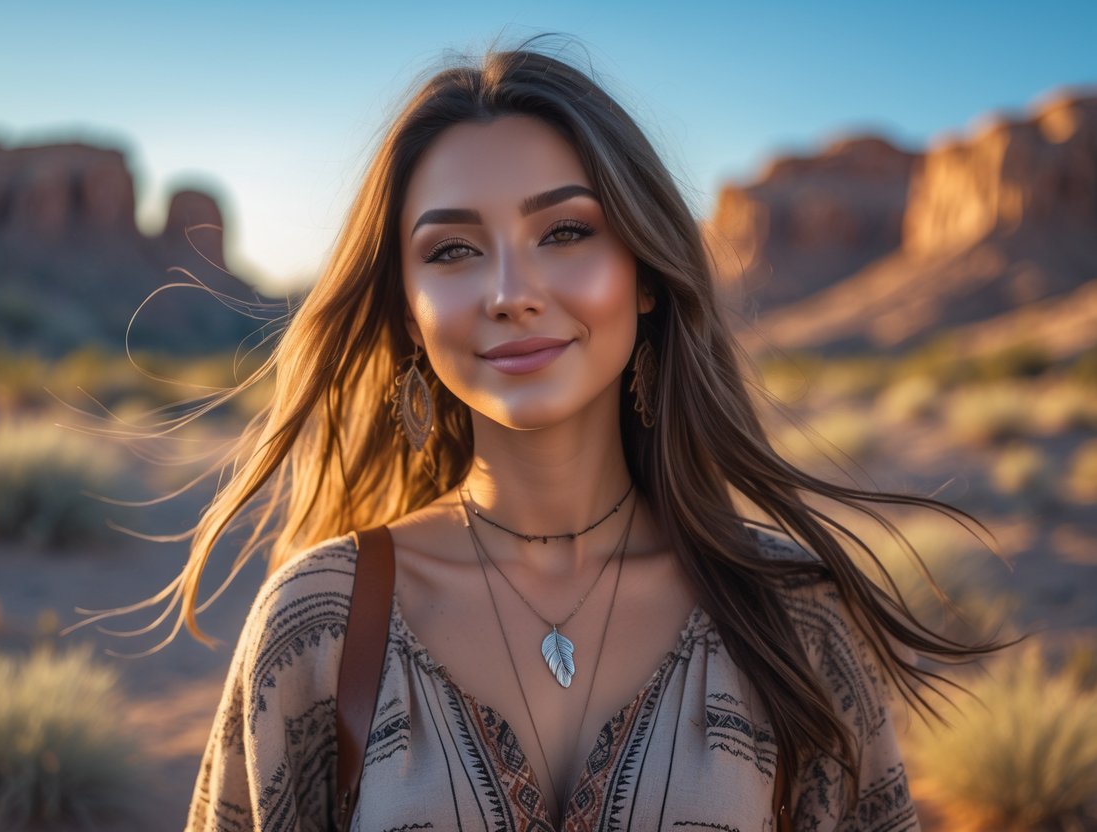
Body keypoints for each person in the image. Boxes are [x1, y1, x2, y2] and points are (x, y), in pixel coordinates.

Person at [163, 39, 996, 831]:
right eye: (451, 249)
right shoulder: (320, 622)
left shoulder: (794, 616)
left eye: (564, 232)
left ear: (642, 274)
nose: (509, 292)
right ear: (407, 316)